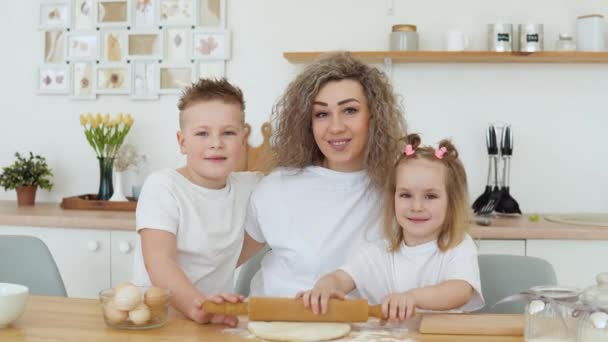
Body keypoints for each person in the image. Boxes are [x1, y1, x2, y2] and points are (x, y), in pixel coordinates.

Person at [237, 52, 407, 297]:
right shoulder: (277, 187)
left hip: (363, 329)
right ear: (308, 123)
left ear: (373, 117)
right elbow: (222, 263)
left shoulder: (399, 190)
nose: (336, 127)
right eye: (321, 114)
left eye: (349, 110)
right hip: (275, 324)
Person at [298, 134, 485, 323]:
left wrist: (411, 298)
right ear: (393, 198)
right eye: (405, 195)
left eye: (430, 196)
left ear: (451, 202)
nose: (417, 206)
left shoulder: (458, 246)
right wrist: (324, 287)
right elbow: (340, 278)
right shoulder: (378, 252)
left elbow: (460, 290)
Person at [132, 78, 261, 327]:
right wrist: (199, 306)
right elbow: (159, 261)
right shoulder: (164, 186)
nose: (216, 143)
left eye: (228, 133)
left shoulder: (250, 187)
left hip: (212, 322)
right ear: (182, 142)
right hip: (157, 322)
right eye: (202, 133)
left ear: (243, 140)